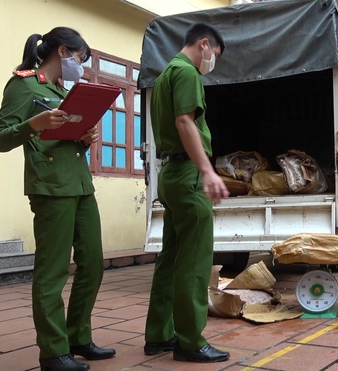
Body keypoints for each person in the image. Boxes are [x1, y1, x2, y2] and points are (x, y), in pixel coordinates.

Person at [0, 27, 116, 370]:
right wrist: (33, 122)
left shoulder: (64, 91)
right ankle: (53, 352)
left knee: (92, 263)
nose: (81, 66)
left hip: (79, 185)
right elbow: (1, 139)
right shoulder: (23, 84)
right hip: (49, 187)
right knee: (53, 271)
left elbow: (62, 136)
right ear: (62, 51)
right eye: (79, 59)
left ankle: (78, 336)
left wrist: (84, 136)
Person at [143, 24, 230, 363]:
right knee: (194, 261)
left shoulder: (165, 74)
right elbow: (185, 122)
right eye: (215, 56)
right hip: (189, 174)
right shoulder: (187, 72)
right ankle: (190, 342)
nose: (212, 62)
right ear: (204, 44)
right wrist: (207, 170)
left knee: (170, 257)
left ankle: (159, 335)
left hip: (170, 173)